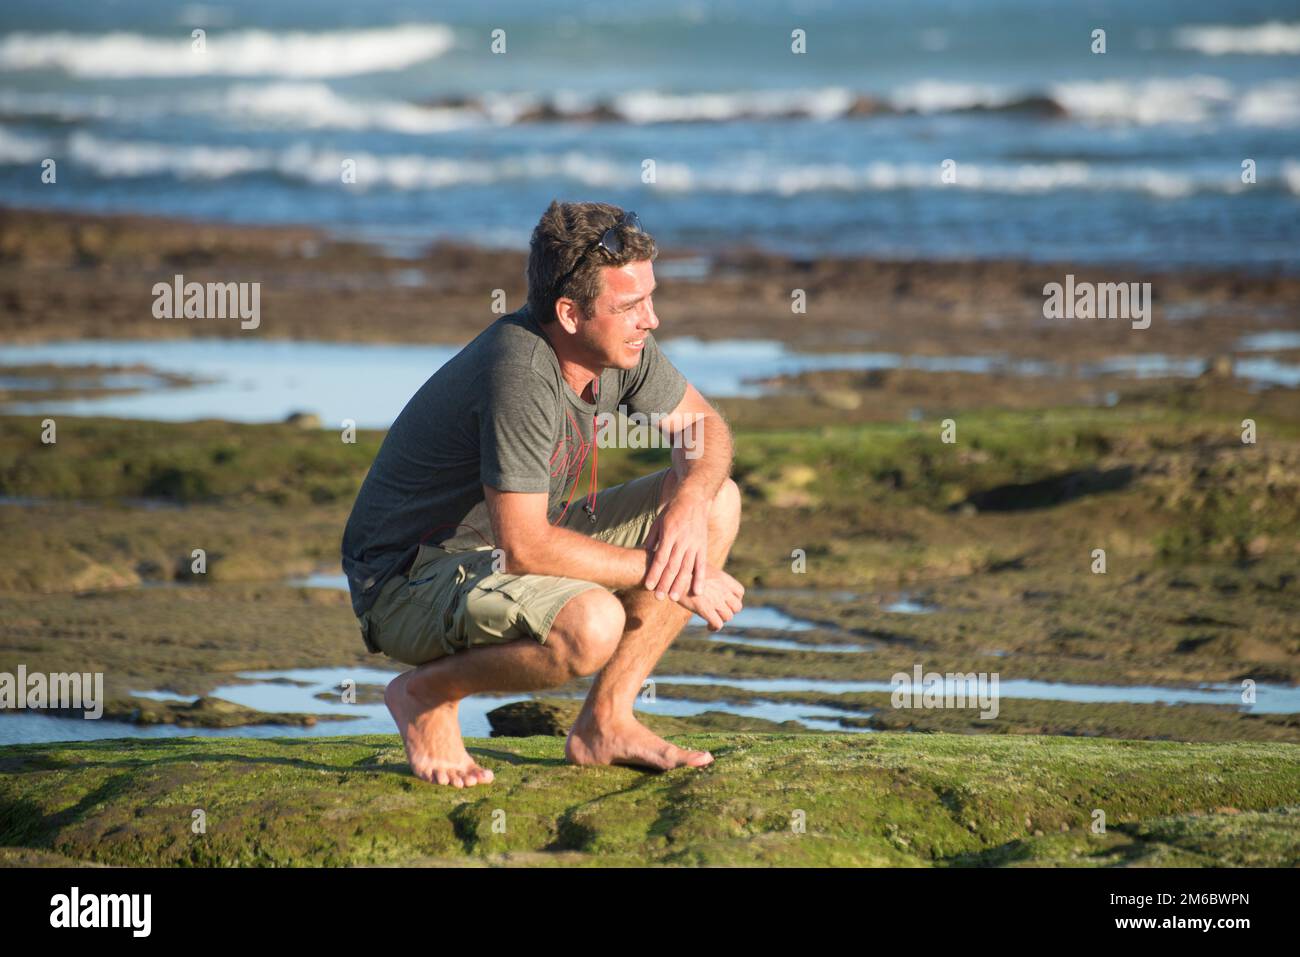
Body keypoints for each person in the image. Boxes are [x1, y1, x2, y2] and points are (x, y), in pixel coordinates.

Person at [341, 200, 744, 787]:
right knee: (591, 626)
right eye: (630, 305)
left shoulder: (620, 347)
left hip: (501, 552)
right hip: (408, 580)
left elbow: (704, 429)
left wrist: (685, 506)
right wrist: (676, 573)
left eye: (651, 298)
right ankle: (424, 695)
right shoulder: (522, 371)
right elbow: (525, 547)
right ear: (570, 313)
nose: (651, 320)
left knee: (715, 500)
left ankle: (605, 724)